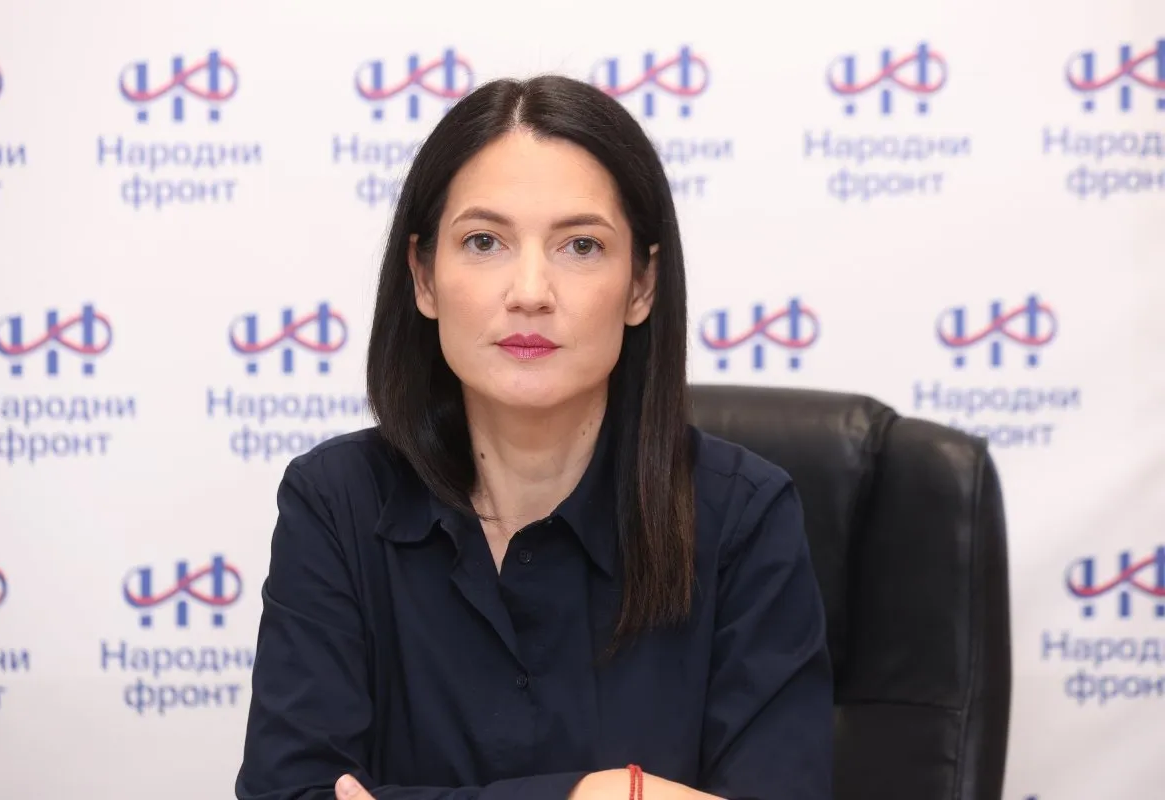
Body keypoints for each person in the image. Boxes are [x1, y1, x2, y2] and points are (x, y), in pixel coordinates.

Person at [235, 74, 833, 800]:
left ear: (641, 285)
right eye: (484, 241)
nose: (529, 292)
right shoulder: (338, 503)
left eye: (580, 246)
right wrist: (594, 797)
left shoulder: (743, 518)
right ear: (424, 277)